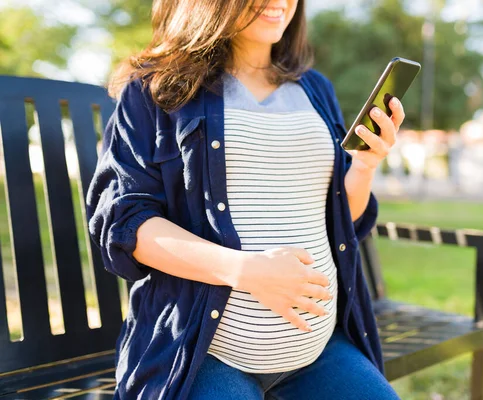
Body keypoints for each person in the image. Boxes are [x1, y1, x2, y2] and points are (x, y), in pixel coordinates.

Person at [85, 0, 406, 398]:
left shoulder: (316, 88)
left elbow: (341, 216)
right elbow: (124, 220)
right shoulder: (155, 87)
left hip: (317, 350)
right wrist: (247, 271)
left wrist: (365, 166)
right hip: (201, 352)